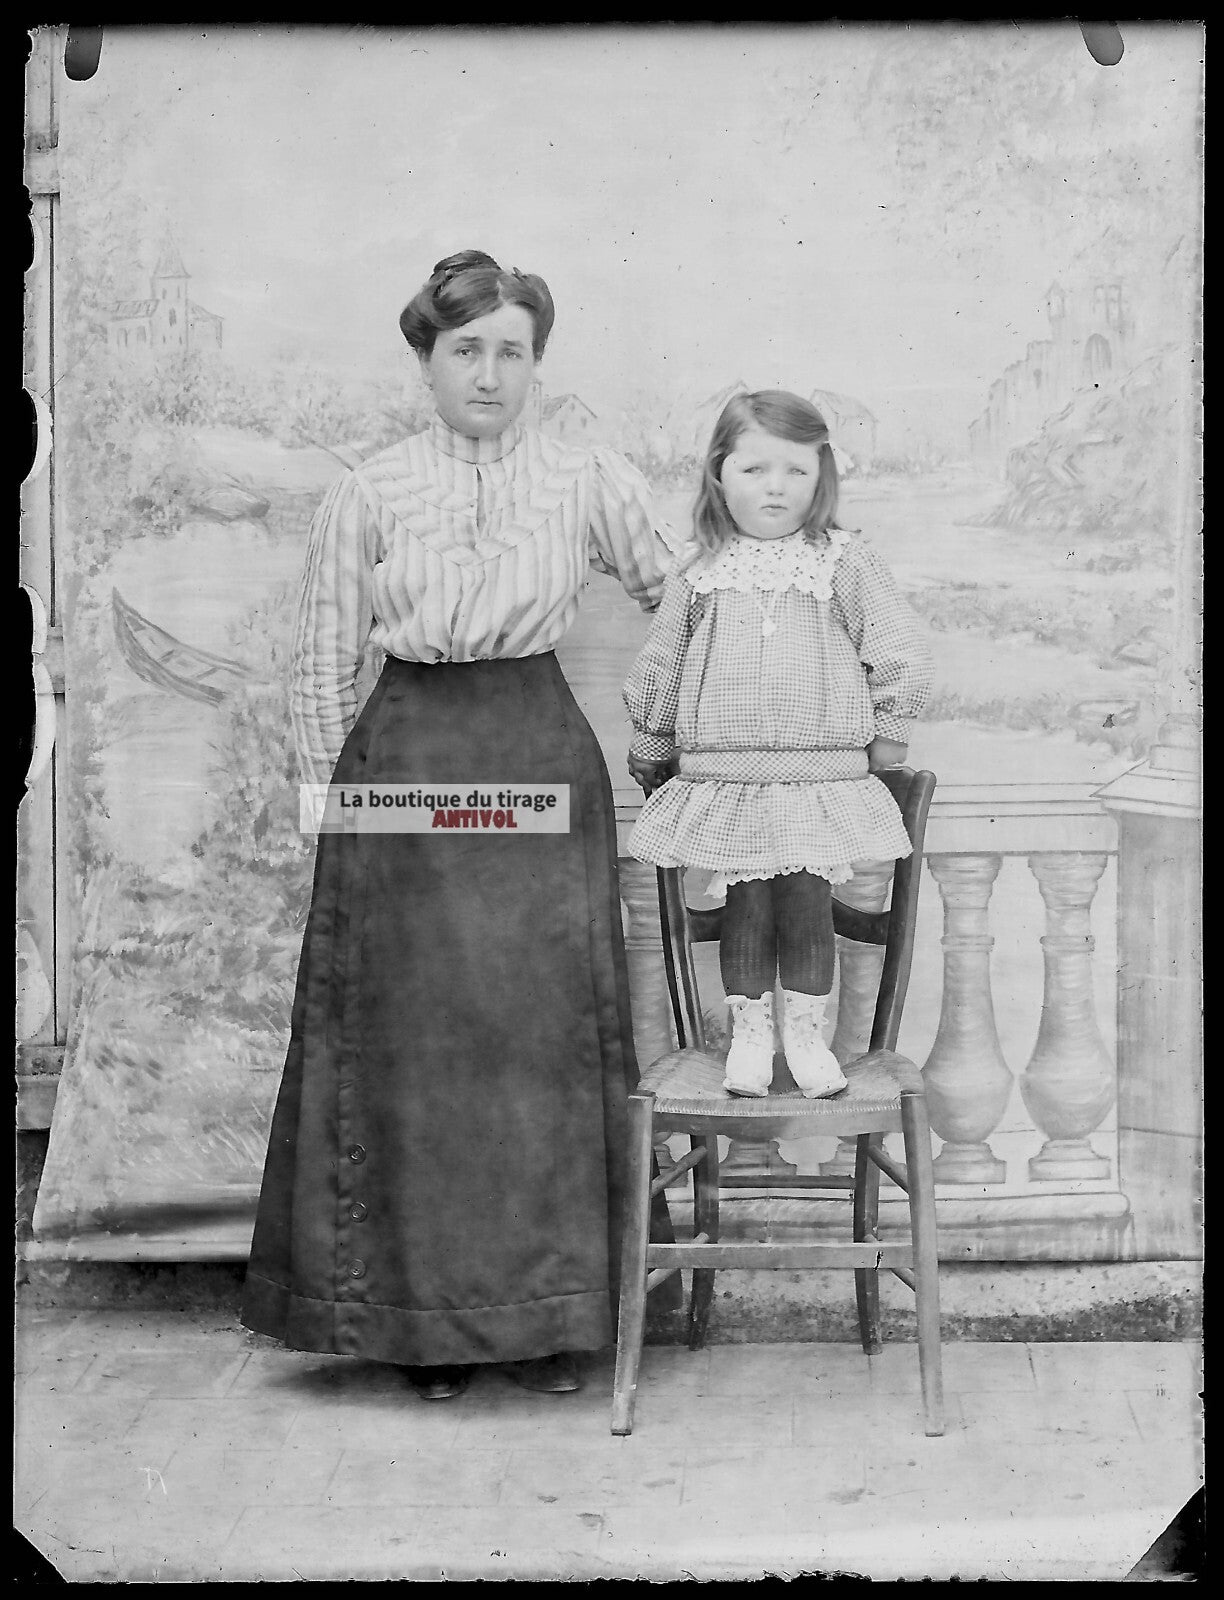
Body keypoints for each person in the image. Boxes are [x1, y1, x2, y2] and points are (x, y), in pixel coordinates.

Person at [242, 250, 681, 1401]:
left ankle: (548, 1322)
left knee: (538, 1045)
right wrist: (335, 821)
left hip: (538, 759)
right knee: (418, 1058)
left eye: (512, 351)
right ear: (427, 361)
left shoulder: (585, 477)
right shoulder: (371, 489)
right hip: (409, 775)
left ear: (537, 363)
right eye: (466, 348)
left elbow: (684, 598)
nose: (490, 372)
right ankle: (423, 1331)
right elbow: (323, 663)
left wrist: (686, 731)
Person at [623, 390, 932, 1098]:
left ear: (822, 477)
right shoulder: (699, 570)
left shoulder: (843, 561)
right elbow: (662, 663)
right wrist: (651, 736)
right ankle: (751, 1038)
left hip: (816, 775)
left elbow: (897, 645)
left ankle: (805, 1035)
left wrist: (889, 732)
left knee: (805, 899)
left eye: (796, 471)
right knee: (747, 904)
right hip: (724, 778)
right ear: (718, 475)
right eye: (755, 469)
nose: (775, 487)